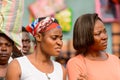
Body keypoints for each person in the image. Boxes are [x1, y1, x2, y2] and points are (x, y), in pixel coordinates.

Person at [66, 13, 120, 80]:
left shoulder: (115, 60)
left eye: (105, 31)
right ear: (85, 36)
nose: (105, 37)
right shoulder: (76, 63)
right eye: (98, 33)